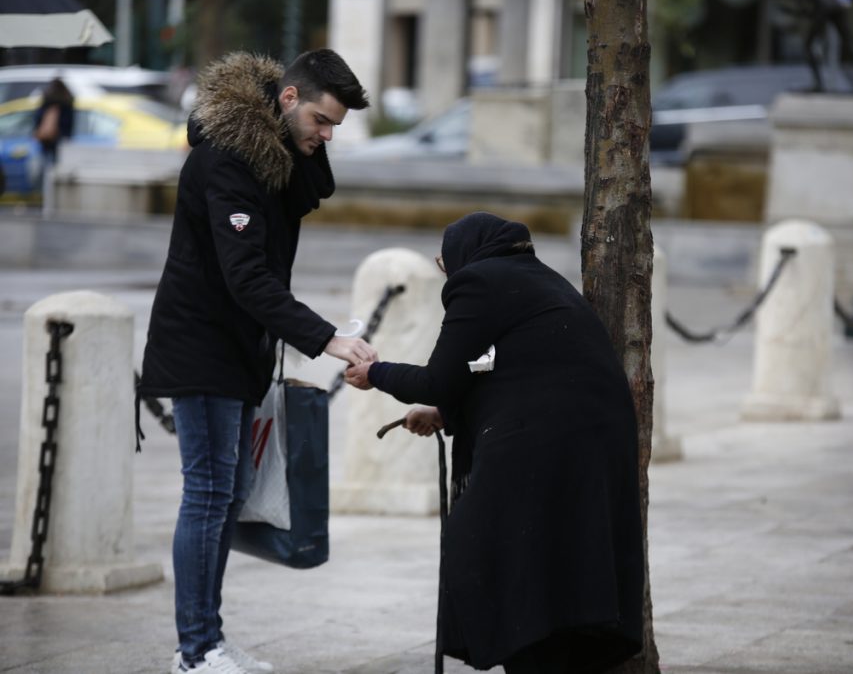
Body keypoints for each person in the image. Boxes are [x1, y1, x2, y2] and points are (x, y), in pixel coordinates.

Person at [138, 49, 378, 674]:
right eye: (322, 122)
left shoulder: (272, 156)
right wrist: (326, 338)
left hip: (237, 345)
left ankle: (206, 639)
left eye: (336, 129)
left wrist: (303, 143)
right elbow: (246, 278)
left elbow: (312, 192)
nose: (327, 137)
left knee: (230, 489)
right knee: (210, 491)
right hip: (200, 343)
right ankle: (196, 651)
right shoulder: (226, 159)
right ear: (290, 100)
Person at [345, 212, 644, 674]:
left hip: (549, 440)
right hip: (584, 440)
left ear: (466, 255)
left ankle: (529, 656)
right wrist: (447, 414)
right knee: (554, 557)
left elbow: (438, 378)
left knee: (492, 549)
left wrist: (375, 374)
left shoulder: (479, 282)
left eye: (445, 265)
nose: (447, 274)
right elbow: (509, 366)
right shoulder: (536, 279)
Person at [32, 77, 74, 215]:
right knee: (55, 171)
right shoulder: (67, 101)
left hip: (46, 142)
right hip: (60, 142)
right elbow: (69, 125)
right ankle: (53, 199)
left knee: (45, 171)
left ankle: (44, 199)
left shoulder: (47, 100)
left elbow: (37, 120)